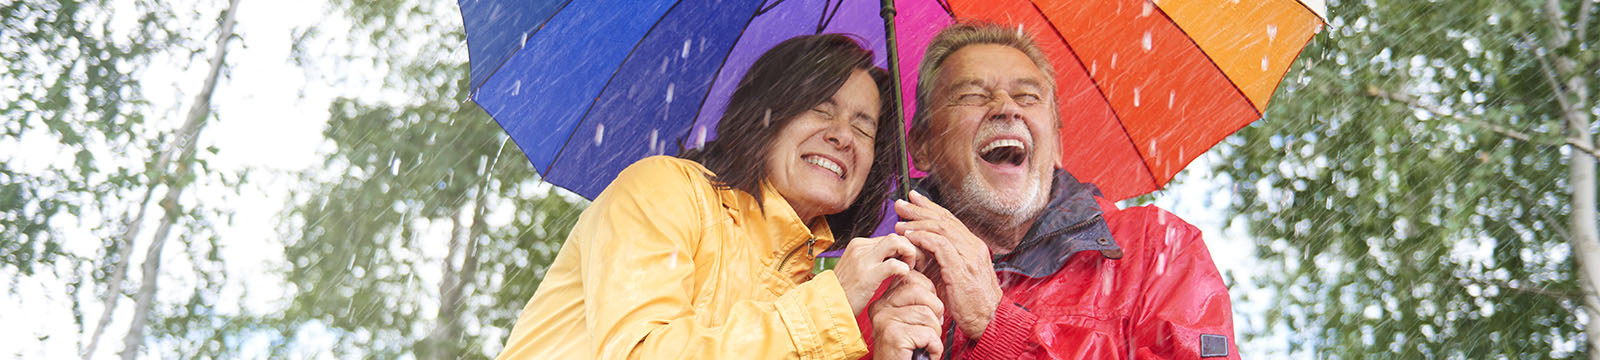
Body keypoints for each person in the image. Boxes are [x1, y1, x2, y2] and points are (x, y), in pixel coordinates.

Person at [496, 34, 927, 359]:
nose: (842, 136)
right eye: (820, 108)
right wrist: (830, 303)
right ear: (765, 118)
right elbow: (641, 351)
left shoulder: (810, 292)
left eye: (864, 127)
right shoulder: (662, 190)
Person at [866, 21, 1241, 359]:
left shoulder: (1157, 249)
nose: (1007, 108)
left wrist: (1000, 326)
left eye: (1028, 96)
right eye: (973, 95)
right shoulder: (874, 296)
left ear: (1058, 145)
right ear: (922, 146)